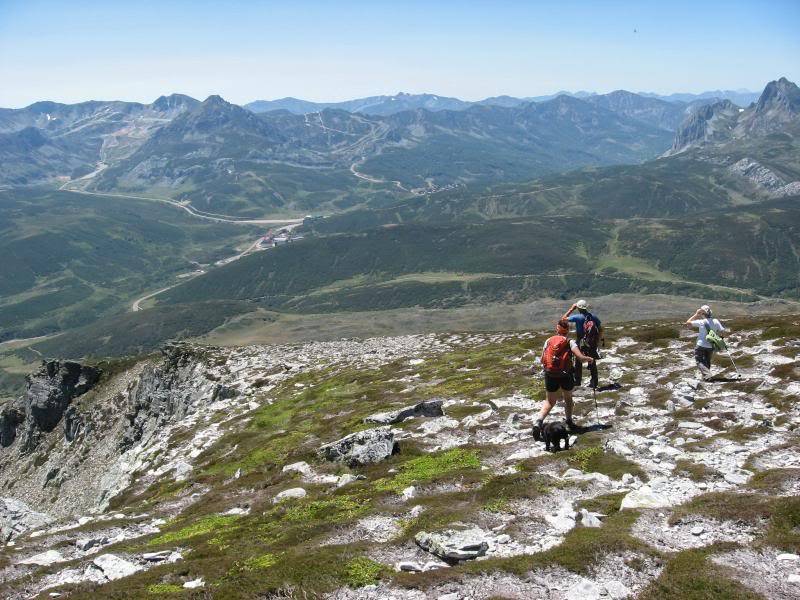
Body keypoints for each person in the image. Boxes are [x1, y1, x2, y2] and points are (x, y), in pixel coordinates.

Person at [535, 319, 595, 432]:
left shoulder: (548, 340)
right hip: (565, 375)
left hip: (550, 374)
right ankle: (569, 421)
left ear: (556, 329)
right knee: (568, 399)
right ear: (567, 330)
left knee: (549, 401)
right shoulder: (569, 341)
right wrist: (590, 359)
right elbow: (581, 358)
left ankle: (538, 422)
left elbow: (543, 359)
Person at [562, 299, 603, 388]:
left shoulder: (577, 317)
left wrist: (571, 309)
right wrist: (597, 340)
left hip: (580, 340)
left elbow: (563, 319)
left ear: (578, 308)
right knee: (592, 360)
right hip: (591, 342)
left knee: (578, 360)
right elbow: (600, 329)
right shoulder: (593, 317)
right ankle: (594, 382)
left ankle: (577, 381)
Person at [686, 305, 725, 379]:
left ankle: (707, 376)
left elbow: (688, 323)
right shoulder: (716, 321)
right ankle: (706, 377)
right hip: (711, 345)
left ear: (702, 314)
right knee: (707, 361)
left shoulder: (701, 322)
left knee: (699, 361)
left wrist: (696, 315)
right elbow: (722, 331)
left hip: (700, 345)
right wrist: (720, 339)